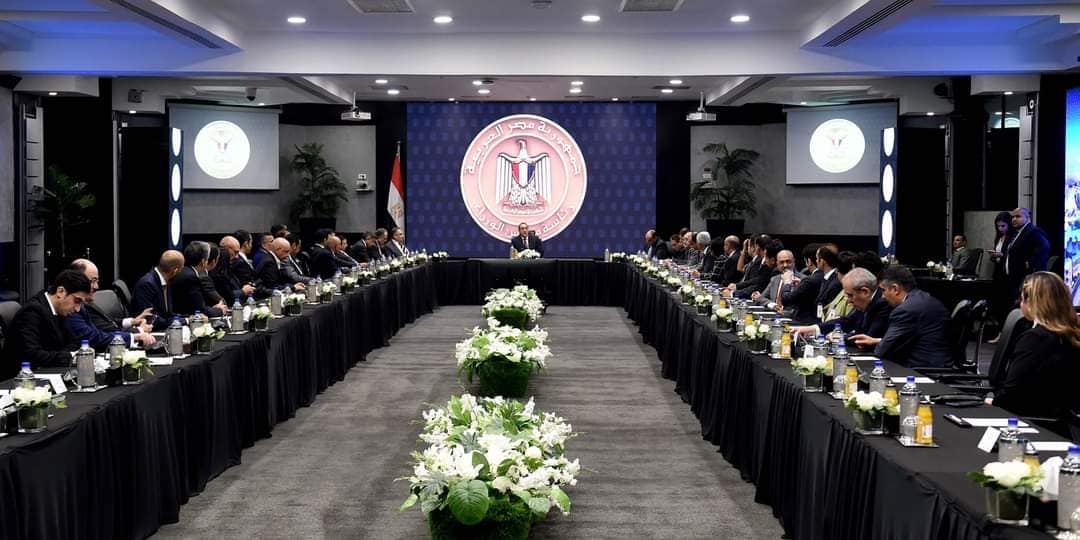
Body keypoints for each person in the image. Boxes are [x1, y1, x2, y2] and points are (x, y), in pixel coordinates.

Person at [988, 272, 1080, 420]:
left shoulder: (1035, 339)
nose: (1020, 303)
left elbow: (1011, 394)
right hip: (1060, 422)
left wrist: (991, 402)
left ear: (1031, 301)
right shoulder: (1072, 334)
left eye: (1022, 298)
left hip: (1029, 420)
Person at [852, 265, 951, 368]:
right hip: (938, 364)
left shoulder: (906, 310)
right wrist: (878, 341)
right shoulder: (922, 298)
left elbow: (881, 352)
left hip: (922, 369)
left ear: (895, 289)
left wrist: (881, 344)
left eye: (883, 290)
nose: (883, 296)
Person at [4, 270, 92, 375]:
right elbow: (33, 355)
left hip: (50, 371)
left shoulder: (60, 309)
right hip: (22, 378)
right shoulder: (31, 312)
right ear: (60, 292)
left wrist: (64, 354)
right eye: (77, 301)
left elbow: (74, 343)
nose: (78, 309)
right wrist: (69, 356)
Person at [66, 259, 156, 350]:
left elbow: (106, 323)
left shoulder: (84, 303)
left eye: (97, 281)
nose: (97, 286)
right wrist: (137, 332)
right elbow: (96, 335)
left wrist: (132, 321)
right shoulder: (74, 307)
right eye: (93, 281)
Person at [794, 268, 893, 340]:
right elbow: (847, 321)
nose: (848, 301)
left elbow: (868, 336)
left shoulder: (882, 303)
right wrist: (812, 328)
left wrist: (841, 338)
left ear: (865, 292)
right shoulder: (865, 302)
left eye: (850, 295)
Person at [1004, 207, 1050, 306]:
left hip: (1026, 280)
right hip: (1015, 280)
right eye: (1012, 217)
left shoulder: (1033, 231)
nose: (1014, 219)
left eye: (1018, 216)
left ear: (1027, 218)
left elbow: (1043, 249)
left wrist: (1029, 266)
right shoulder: (1017, 233)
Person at [131, 250, 184, 330]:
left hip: (161, 328)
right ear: (175, 271)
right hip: (149, 331)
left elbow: (167, 314)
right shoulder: (147, 284)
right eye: (181, 269)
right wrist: (183, 321)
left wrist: (186, 318)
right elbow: (151, 319)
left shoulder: (165, 281)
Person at [172, 241, 227, 317]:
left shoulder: (185, 271)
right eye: (207, 259)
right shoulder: (190, 278)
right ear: (203, 261)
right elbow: (200, 310)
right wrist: (219, 310)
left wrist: (212, 309)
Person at [214, 235, 256, 304]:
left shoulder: (229, 266)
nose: (237, 257)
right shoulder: (217, 270)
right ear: (225, 249)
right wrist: (242, 291)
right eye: (235, 252)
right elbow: (225, 296)